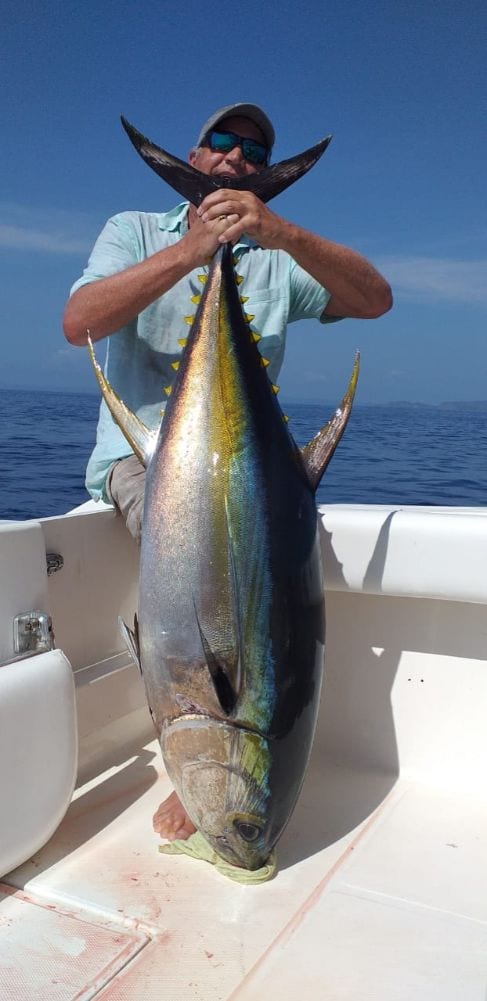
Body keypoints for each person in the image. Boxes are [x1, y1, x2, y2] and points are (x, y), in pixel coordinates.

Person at [63, 102, 392, 842]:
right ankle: (196, 743)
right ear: (195, 151)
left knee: (282, 572)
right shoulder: (133, 231)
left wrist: (274, 230)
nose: (238, 157)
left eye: (254, 150)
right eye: (222, 143)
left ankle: (210, 740)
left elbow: (375, 299)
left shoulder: (275, 258)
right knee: (203, 577)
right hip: (146, 457)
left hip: (249, 469)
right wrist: (193, 248)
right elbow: (79, 321)